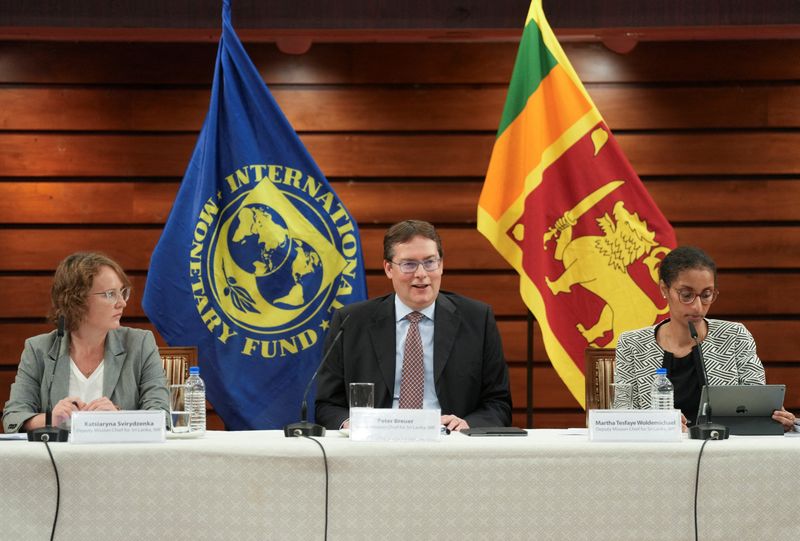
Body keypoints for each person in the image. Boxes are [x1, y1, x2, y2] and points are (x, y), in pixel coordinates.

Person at [315, 220, 512, 431]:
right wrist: (349, 423)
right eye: (409, 264)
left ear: (441, 265)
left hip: (450, 444)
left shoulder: (477, 319)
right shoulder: (352, 322)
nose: (421, 274)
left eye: (430, 262)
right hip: (375, 444)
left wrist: (467, 424)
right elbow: (327, 404)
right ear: (389, 268)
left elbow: (498, 403)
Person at [614, 246, 796, 431]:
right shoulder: (632, 344)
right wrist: (659, 425)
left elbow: (757, 406)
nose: (697, 307)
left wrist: (774, 418)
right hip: (657, 454)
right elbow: (621, 415)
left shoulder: (734, 336)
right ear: (664, 289)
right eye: (686, 295)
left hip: (725, 451)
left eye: (706, 295)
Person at [2, 252, 169, 433]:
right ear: (76, 300)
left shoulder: (140, 344)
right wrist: (52, 419)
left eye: (123, 293)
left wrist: (118, 419)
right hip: (57, 460)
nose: (122, 303)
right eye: (110, 294)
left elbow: (162, 415)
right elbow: (12, 418)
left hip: (120, 458)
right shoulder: (38, 349)